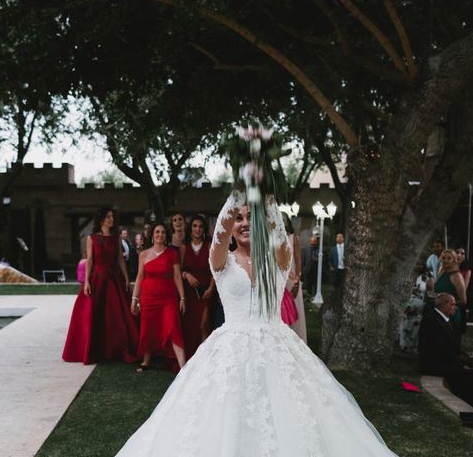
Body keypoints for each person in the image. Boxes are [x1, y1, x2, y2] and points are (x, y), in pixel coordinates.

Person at [116, 191, 398, 456]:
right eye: (239, 218)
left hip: (278, 347)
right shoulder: (221, 261)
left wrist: (267, 200)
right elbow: (219, 235)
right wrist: (239, 190)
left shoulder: (277, 259)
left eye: (251, 218)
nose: (245, 223)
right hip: (229, 350)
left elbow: (278, 235)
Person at [62, 207, 138, 364]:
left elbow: (120, 259)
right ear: (102, 219)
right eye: (109, 217)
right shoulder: (92, 238)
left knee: (116, 316)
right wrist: (87, 281)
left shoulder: (116, 237)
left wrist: (126, 278)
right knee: (94, 316)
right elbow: (90, 260)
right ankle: (96, 350)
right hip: (98, 279)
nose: (112, 219)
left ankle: (116, 349)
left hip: (114, 279)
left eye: (112, 217)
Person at [130, 223, 187, 372]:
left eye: (162, 232)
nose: (160, 234)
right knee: (148, 327)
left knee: (173, 326)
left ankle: (183, 366)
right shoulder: (143, 254)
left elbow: (177, 276)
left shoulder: (172, 254)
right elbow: (140, 277)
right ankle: (146, 360)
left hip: (168, 297)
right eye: (157, 232)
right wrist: (134, 299)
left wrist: (182, 298)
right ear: (152, 235)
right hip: (148, 297)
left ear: (166, 235)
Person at [418, 293, 473, 407]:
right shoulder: (431, 321)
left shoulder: (446, 320)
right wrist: (461, 362)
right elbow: (439, 349)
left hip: (446, 360)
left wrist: (465, 359)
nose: (455, 307)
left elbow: (451, 347)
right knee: (470, 375)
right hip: (434, 364)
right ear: (444, 305)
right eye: (453, 304)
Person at [180, 214, 215, 358]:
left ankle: (205, 358)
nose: (197, 229)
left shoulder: (209, 246)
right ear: (190, 229)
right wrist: (186, 275)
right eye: (194, 226)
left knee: (204, 324)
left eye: (200, 226)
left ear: (204, 229)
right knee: (190, 325)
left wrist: (211, 289)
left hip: (206, 291)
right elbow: (178, 270)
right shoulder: (183, 248)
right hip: (189, 292)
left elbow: (216, 270)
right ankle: (191, 358)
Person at [427, 249, 466, 337]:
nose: (445, 260)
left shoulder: (457, 276)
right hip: (437, 314)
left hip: (450, 315)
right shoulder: (441, 272)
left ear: (454, 260)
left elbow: (463, 301)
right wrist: (430, 290)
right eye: (443, 258)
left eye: (449, 258)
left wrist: (446, 304)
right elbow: (437, 294)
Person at [281, 212, 306, 342]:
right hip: (279, 279)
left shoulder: (293, 238)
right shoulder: (273, 237)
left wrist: (298, 278)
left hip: (292, 278)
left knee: (293, 307)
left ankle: (296, 340)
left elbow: (298, 259)